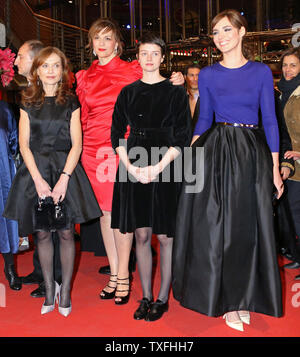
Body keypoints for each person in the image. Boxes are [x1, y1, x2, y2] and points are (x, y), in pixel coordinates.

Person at [172, 9, 283, 332]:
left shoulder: (261, 72)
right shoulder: (207, 75)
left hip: (250, 153)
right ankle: (228, 301)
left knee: (248, 228)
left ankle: (245, 296)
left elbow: (270, 121)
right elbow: (204, 119)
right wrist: (190, 158)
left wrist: (275, 169)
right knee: (217, 228)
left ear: (242, 32)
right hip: (215, 152)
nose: (220, 37)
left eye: (226, 30)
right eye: (215, 33)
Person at [75, 18, 184, 302]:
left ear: (118, 44)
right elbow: (82, 118)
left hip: (124, 150)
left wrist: (178, 79)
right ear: (91, 43)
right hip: (92, 152)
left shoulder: (133, 69)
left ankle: (123, 276)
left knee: (121, 215)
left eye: (108, 38)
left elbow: (156, 87)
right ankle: (114, 273)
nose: (101, 43)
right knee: (105, 214)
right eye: (96, 38)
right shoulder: (84, 77)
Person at [3, 47, 101, 316]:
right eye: (45, 66)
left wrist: (64, 179)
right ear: (37, 71)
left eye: (55, 66)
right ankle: (49, 289)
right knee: (43, 233)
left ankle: (65, 290)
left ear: (62, 71)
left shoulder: (70, 101)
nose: (50, 71)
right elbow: (23, 145)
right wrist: (37, 180)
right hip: (35, 172)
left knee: (67, 232)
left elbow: (77, 145)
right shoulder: (26, 101)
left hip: (65, 171)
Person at [110, 33, 191, 319]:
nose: (148, 58)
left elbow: (183, 136)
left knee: (166, 236)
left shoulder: (175, 92)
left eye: (154, 53)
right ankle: (144, 297)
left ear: (162, 57)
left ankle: (161, 298)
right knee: (141, 233)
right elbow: (116, 134)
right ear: (138, 57)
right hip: (133, 162)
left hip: (168, 163)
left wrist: (157, 167)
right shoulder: (128, 92)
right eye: (144, 53)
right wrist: (130, 167)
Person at [14, 40, 61, 299]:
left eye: (20, 56)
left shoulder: (51, 92)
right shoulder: (29, 93)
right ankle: (39, 269)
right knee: (37, 219)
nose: (15, 61)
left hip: (50, 164)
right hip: (32, 164)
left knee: (51, 223)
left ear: (34, 61)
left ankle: (52, 277)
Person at [276, 47, 300, 279]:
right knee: (291, 213)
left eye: (293, 65)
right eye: (284, 65)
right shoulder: (283, 92)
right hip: (291, 165)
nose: (287, 70)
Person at [0, 100, 21, 290]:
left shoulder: (4, 109)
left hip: (3, 177)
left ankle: (10, 268)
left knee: (5, 221)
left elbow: (14, 144)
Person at [184, 64, 201, 132]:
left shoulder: (209, 98)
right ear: (185, 77)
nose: (195, 79)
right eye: (191, 75)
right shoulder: (180, 98)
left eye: (198, 75)